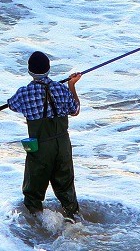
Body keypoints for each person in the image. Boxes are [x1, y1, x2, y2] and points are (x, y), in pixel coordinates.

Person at [7, 51, 82, 223]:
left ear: (30, 71)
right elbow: (75, 110)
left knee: (33, 194)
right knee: (66, 190)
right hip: (63, 146)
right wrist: (71, 85)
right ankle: (74, 222)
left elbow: (12, 105)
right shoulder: (61, 89)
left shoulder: (24, 93)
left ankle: (38, 228)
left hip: (40, 148)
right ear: (49, 69)